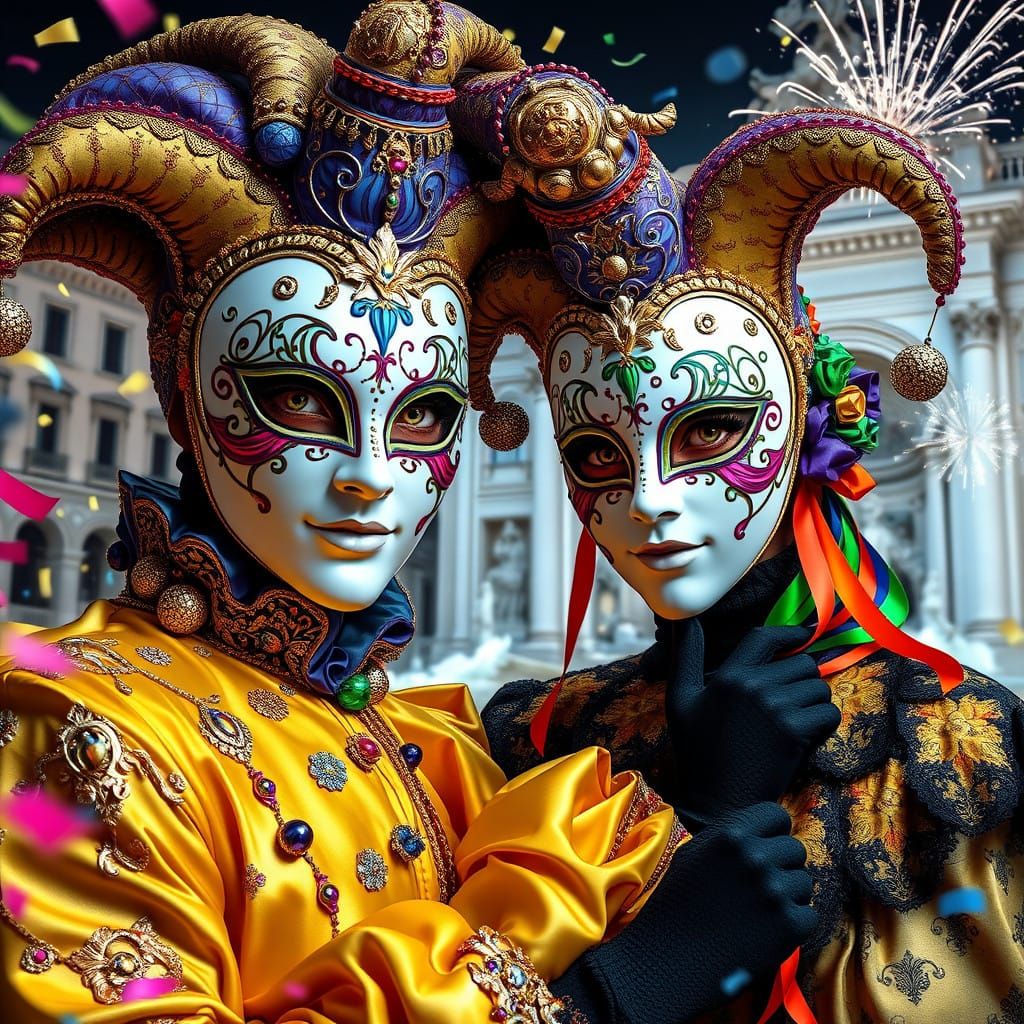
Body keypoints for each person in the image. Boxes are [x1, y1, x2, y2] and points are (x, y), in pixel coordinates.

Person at [0, 8, 821, 1023]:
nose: (373, 476)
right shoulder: (73, 724)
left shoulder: (414, 737)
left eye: (427, 412)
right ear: (184, 387)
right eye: (300, 397)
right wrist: (611, 998)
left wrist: (686, 814)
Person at [468, 92, 1024, 1021]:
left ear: (809, 423)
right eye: (597, 452)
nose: (648, 499)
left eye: (712, 429)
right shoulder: (536, 737)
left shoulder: (962, 746)